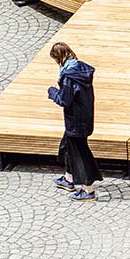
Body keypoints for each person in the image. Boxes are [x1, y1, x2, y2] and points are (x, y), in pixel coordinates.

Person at [47, 42, 101, 202]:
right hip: (84, 118)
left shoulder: (68, 77)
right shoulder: (81, 69)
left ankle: (88, 190)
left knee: (80, 155)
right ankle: (69, 179)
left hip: (76, 122)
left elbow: (65, 100)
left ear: (59, 58)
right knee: (67, 147)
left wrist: (52, 92)